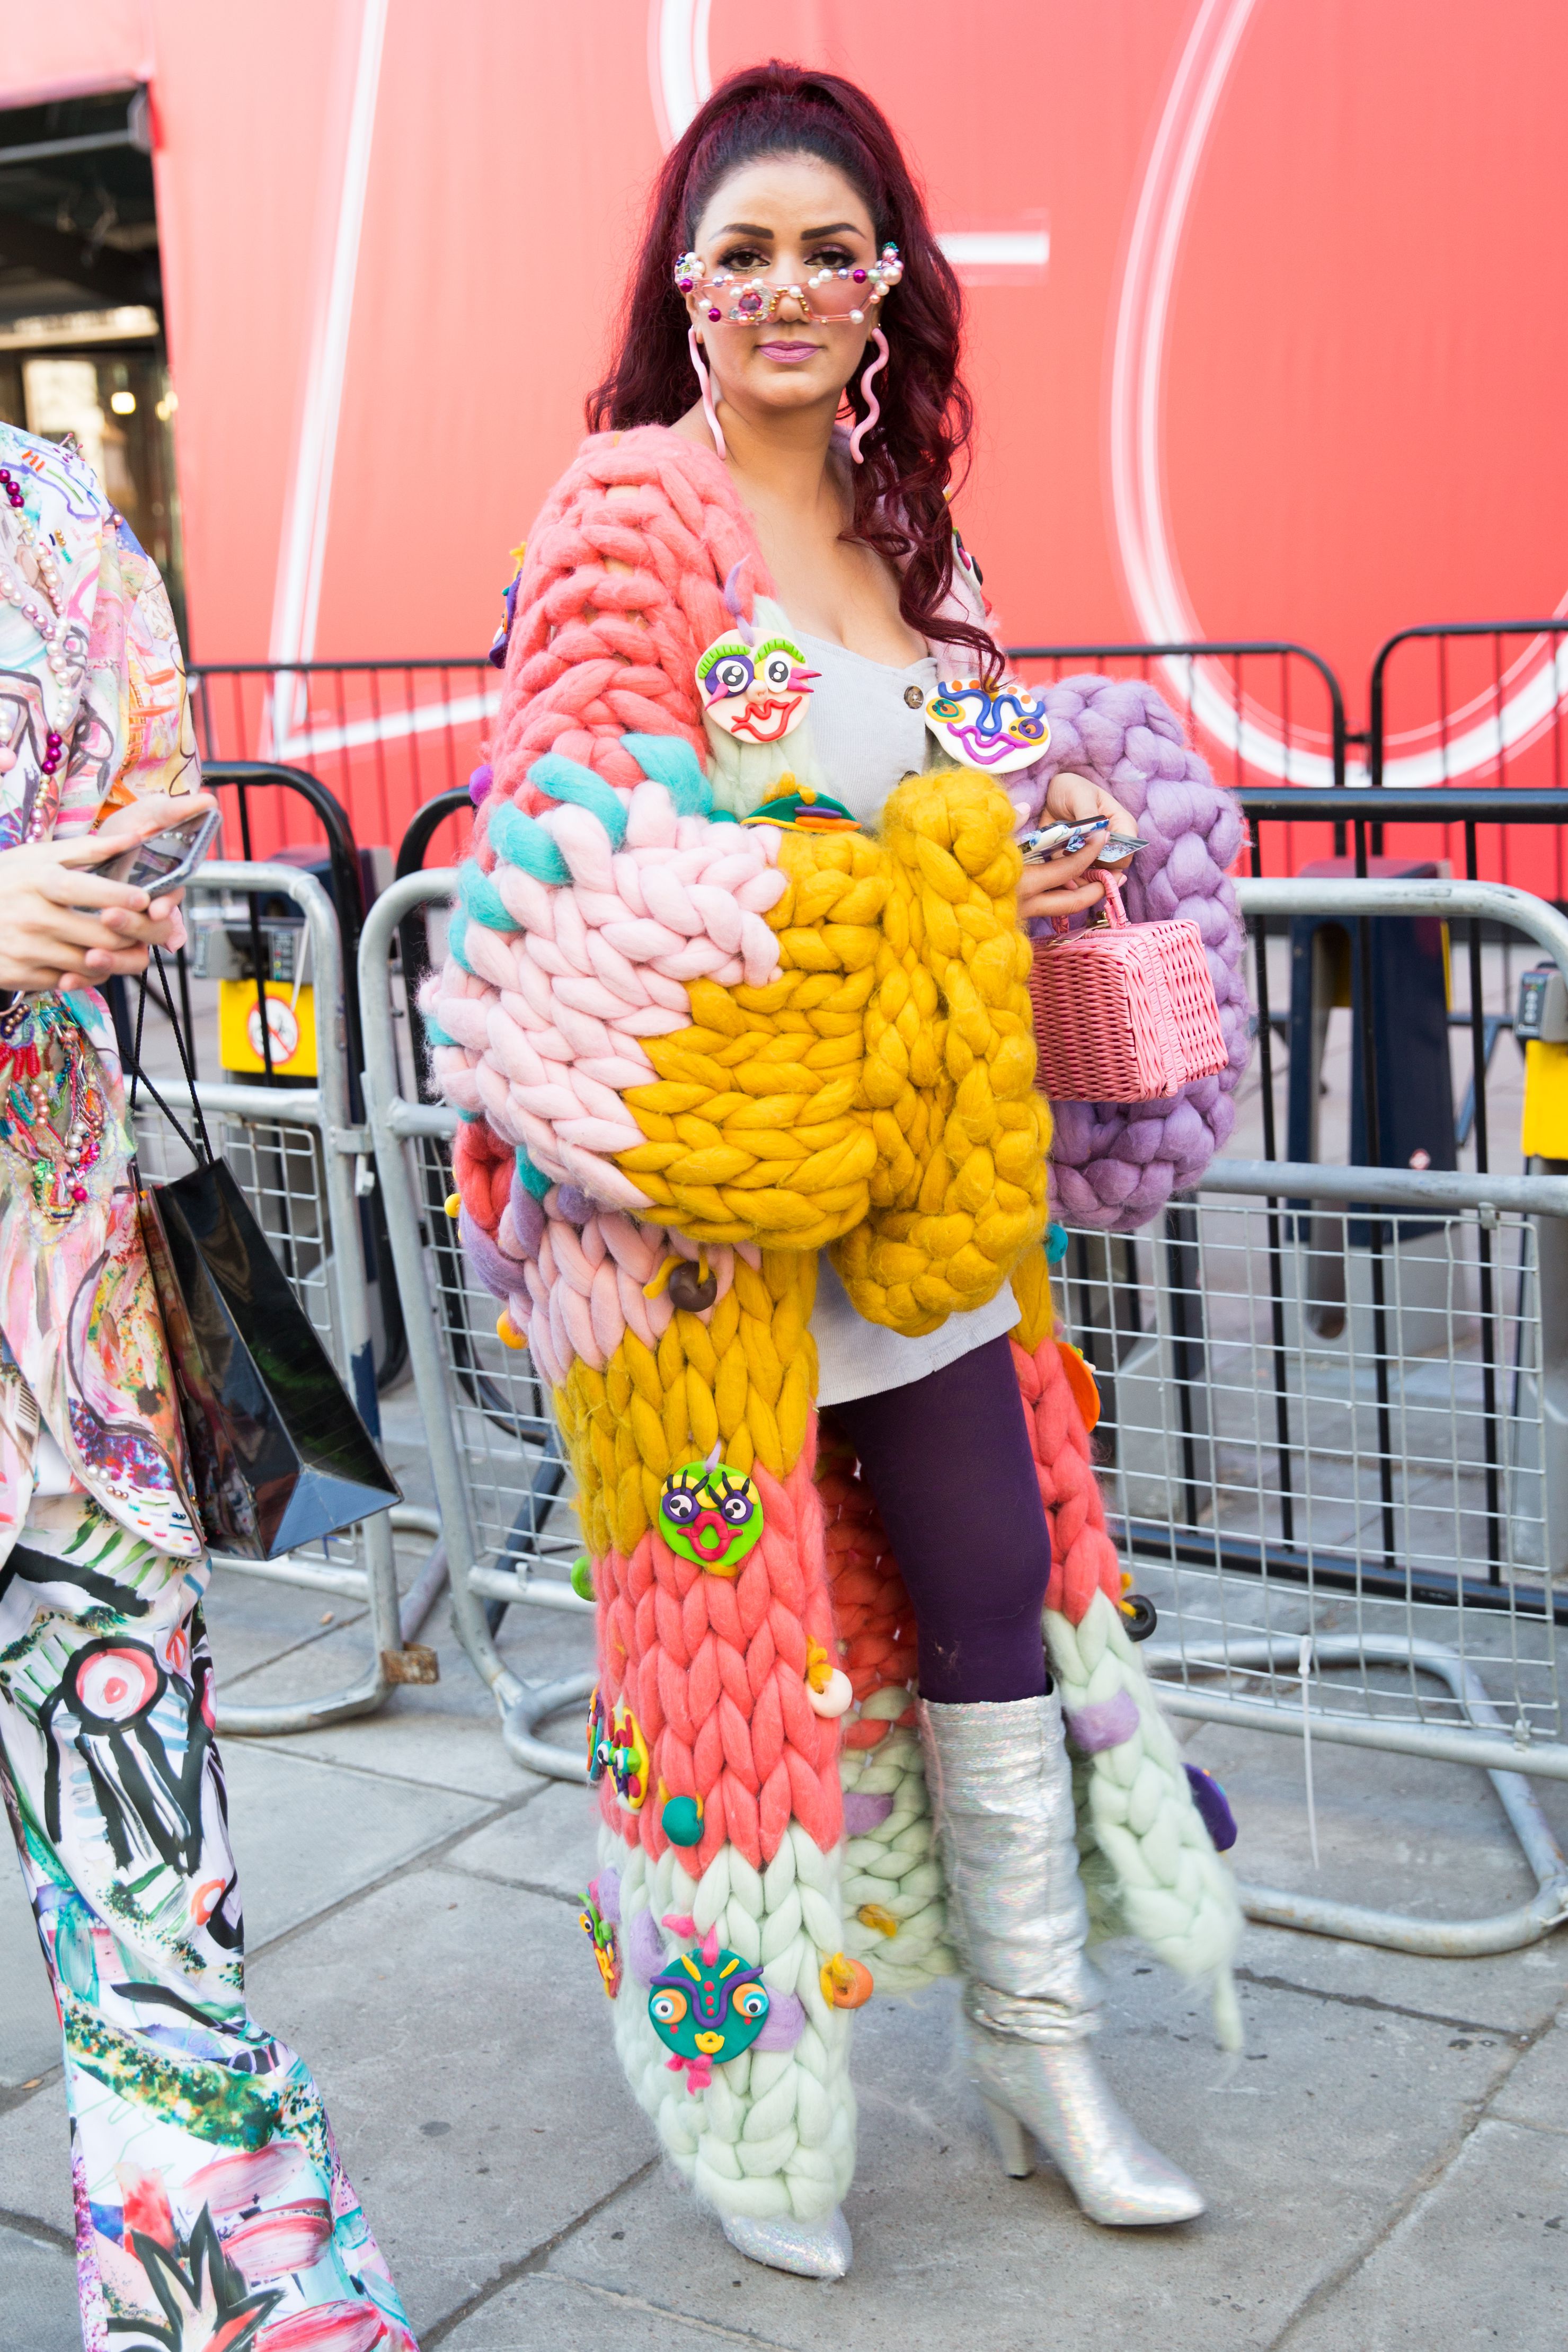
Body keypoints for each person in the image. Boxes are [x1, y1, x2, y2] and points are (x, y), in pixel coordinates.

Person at [436, 61, 1244, 2280]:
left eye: (829, 250)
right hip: (701, 1235)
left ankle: (1044, 2056)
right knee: (719, 1650)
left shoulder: (923, 556)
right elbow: (580, 843)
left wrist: (1056, 843)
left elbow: (986, 793)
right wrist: (889, 888)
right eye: (745, 253)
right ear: (685, 289)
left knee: (998, 1598)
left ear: (886, 287)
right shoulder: (630, 522)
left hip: (924, 1208)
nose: (786, 289)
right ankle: (748, 2096)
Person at [0, 423, 418, 2350]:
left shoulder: (48, 510)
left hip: (68, 1321)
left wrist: (90, 903)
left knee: (156, 1903)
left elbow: (155, 822)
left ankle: (233, 2312)